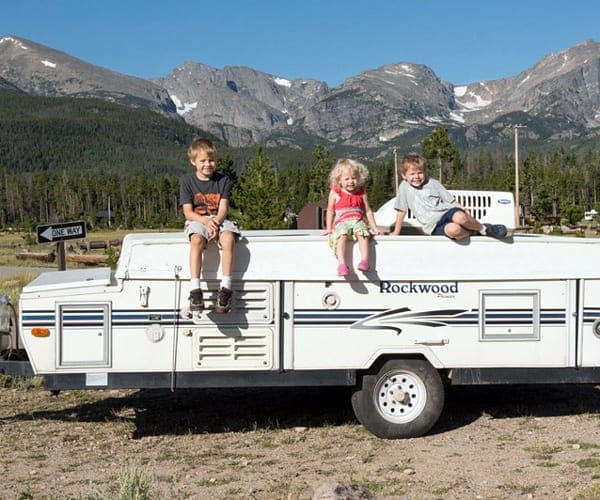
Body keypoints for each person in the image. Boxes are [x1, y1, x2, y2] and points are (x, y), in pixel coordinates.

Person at [180, 138, 240, 313]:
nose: (208, 164)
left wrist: (215, 223)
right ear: (193, 162)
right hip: (197, 220)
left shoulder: (223, 181)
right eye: (203, 161)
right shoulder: (187, 182)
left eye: (211, 160)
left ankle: (226, 288)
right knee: (196, 240)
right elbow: (188, 213)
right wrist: (206, 222)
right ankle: (195, 289)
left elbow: (223, 208)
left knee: (229, 239)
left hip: (218, 219)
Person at [391, 153, 507, 240]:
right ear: (404, 175)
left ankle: (484, 229)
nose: (416, 176)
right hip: (433, 226)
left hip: (446, 212)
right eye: (412, 174)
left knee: (460, 217)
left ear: (424, 172)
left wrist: (463, 209)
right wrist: (396, 232)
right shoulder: (404, 187)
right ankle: (474, 232)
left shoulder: (433, 183)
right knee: (454, 230)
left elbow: (450, 201)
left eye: (420, 172)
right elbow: (401, 211)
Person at [325, 158, 383, 276]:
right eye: (346, 179)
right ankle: (341, 264)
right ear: (339, 180)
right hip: (341, 222)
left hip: (358, 220)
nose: (351, 182)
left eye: (354, 178)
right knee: (342, 236)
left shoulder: (361, 192)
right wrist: (329, 228)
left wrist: (374, 227)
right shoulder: (336, 192)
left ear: (359, 178)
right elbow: (330, 210)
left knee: (363, 234)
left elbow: (368, 210)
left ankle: (365, 260)